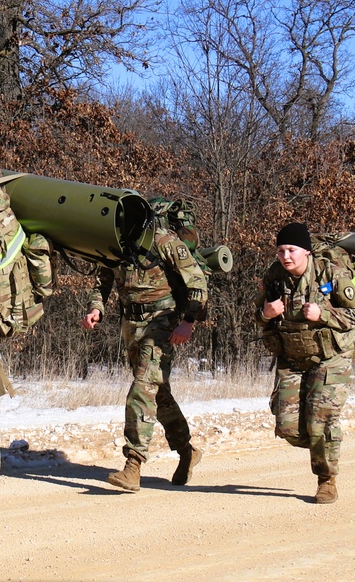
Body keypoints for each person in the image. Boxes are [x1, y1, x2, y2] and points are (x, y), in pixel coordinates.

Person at [81, 201, 208, 492]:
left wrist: (187, 321)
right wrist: (95, 308)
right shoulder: (113, 243)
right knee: (157, 394)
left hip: (162, 322)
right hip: (131, 325)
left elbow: (197, 282)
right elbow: (102, 282)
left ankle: (133, 464)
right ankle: (187, 451)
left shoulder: (165, 242)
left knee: (142, 388)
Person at [256, 222, 355, 504]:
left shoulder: (331, 272)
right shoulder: (274, 276)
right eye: (281, 250)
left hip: (331, 357)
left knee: (320, 423)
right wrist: (266, 313)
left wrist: (324, 314)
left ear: (306, 250)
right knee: (288, 428)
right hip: (292, 358)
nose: (286, 256)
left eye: (291, 249)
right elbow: (258, 316)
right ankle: (325, 441)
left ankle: (326, 479)